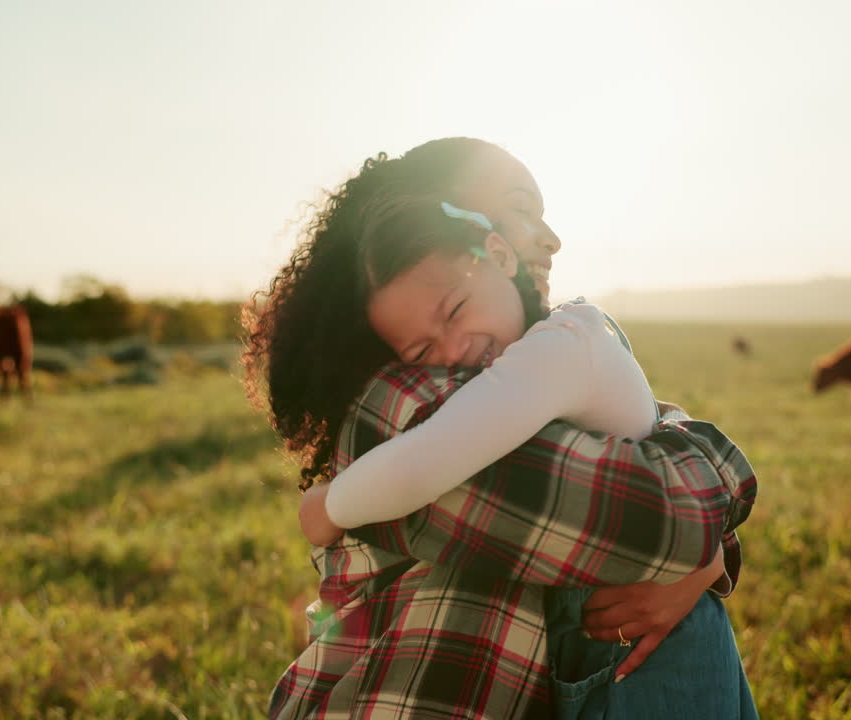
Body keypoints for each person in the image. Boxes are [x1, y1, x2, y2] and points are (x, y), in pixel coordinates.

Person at [243, 137, 758, 719]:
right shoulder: (405, 398)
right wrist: (703, 535)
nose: (550, 237)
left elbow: (658, 442)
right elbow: (657, 521)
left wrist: (707, 545)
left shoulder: (520, 358)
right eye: (519, 208)